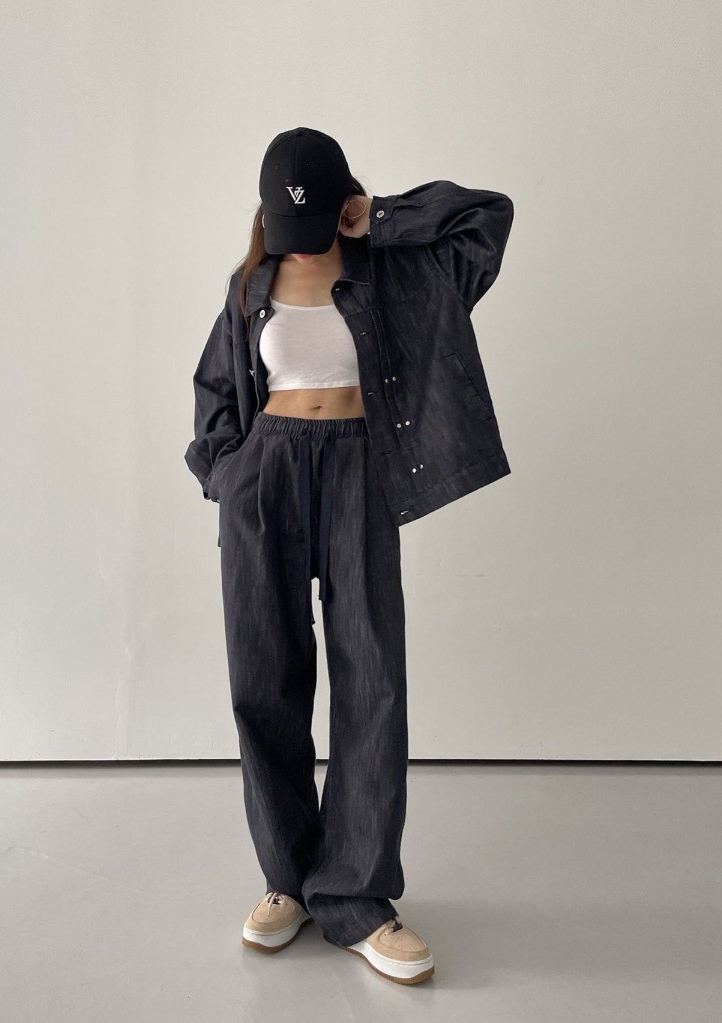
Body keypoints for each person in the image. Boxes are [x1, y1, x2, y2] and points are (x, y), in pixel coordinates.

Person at [185, 126, 514, 985]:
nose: (297, 241)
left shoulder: (395, 269)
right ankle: (288, 879)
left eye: (316, 221)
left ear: (342, 204)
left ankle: (358, 895)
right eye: (281, 224)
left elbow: (488, 219)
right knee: (265, 676)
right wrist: (228, 473)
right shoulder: (250, 286)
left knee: (372, 677)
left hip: (361, 470)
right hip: (268, 472)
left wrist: (385, 218)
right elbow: (216, 390)